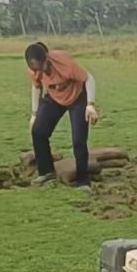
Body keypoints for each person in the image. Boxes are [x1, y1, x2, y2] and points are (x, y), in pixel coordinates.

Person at [26, 42, 99, 188]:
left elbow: (88, 78)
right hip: (55, 96)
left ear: (47, 58)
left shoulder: (63, 63)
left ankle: (83, 180)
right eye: (37, 69)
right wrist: (34, 114)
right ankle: (46, 172)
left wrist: (90, 105)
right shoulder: (34, 70)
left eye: (43, 66)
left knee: (78, 140)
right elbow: (37, 87)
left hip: (77, 97)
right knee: (38, 131)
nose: (41, 71)